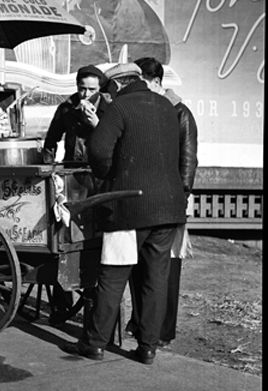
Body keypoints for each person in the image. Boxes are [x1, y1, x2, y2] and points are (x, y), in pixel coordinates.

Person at [62, 62, 187, 365]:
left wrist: (108, 173)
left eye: (106, 90)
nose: (105, 96)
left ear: (117, 85)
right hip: (169, 207)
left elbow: (98, 150)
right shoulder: (167, 107)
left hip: (129, 204)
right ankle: (147, 347)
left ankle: (94, 343)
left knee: (113, 275)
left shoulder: (120, 107)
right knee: (155, 278)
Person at [125, 57, 198, 347]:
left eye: (141, 83)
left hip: (170, 202)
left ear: (155, 83)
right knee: (140, 266)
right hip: (147, 201)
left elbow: (188, 160)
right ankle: (142, 323)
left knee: (166, 268)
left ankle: (163, 329)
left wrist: (180, 197)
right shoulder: (150, 109)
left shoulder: (179, 113)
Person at [42, 64, 110, 164]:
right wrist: (48, 166)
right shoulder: (66, 109)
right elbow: (51, 140)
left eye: (92, 90)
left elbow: (114, 140)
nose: (87, 94)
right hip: (72, 166)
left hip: (99, 167)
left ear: (99, 88)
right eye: (82, 89)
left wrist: (97, 125)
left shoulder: (110, 108)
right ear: (77, 86)